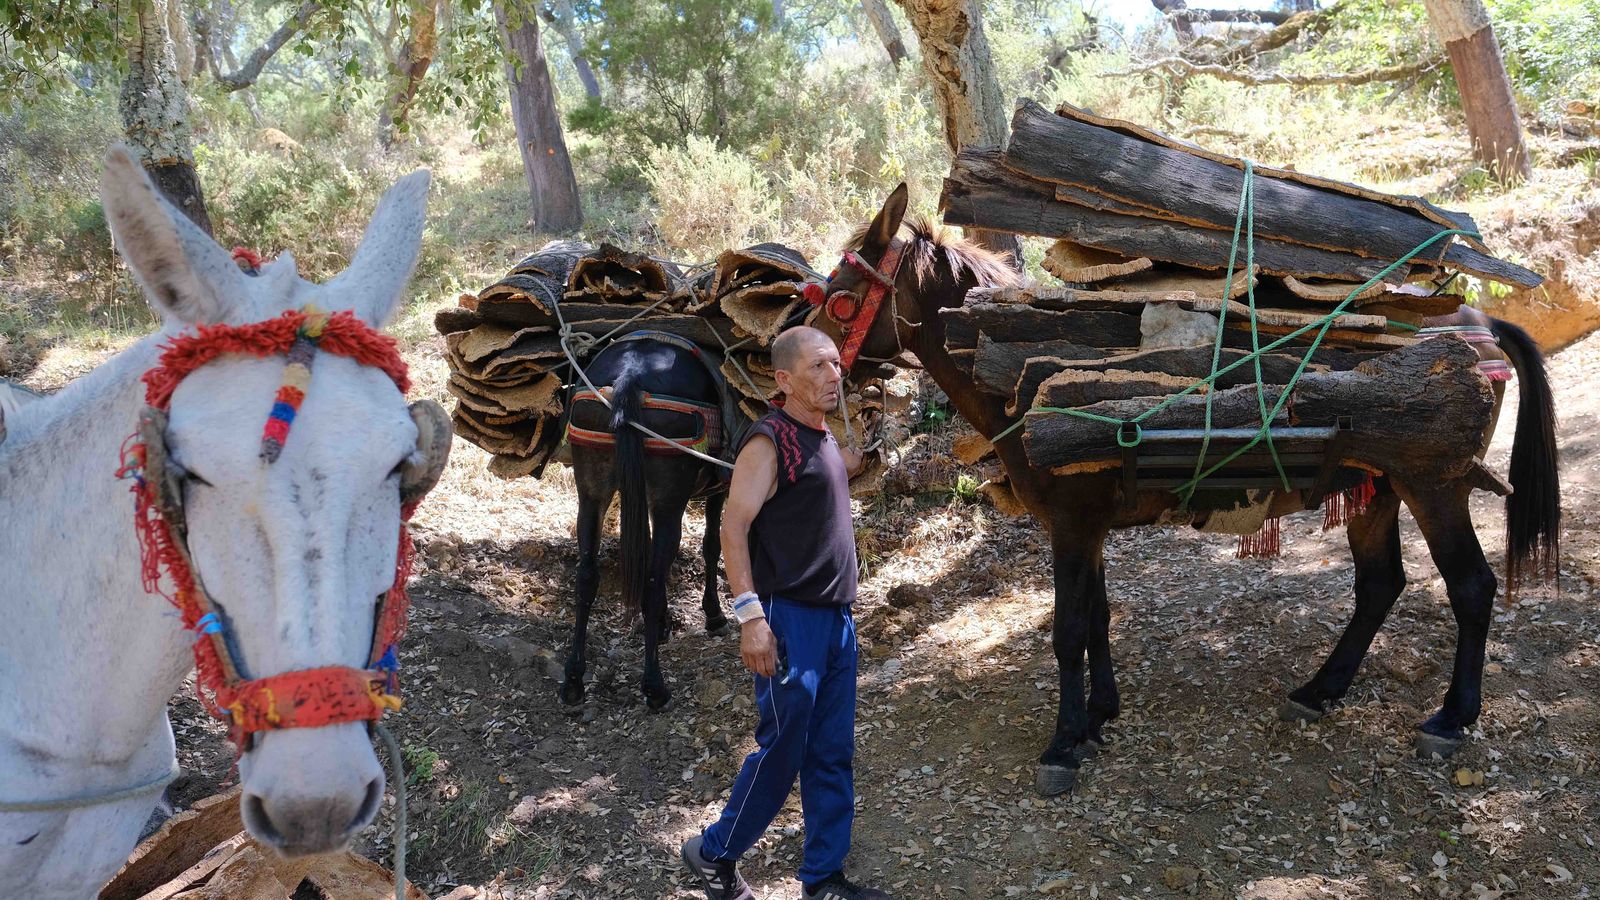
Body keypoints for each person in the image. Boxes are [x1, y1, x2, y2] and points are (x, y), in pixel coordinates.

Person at [680, 327, 890, 900]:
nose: (832, 375)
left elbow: (828, 476)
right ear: (784, 379)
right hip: (787, 618)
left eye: (835, 365)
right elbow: (734, 525)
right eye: (818, 367)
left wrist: (868, 446)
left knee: (830, 753)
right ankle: (713, 853)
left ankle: (823, 880)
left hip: (836, 620)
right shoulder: (769, 441)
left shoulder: (818, 438)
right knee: (785, 748)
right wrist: (750, 617)